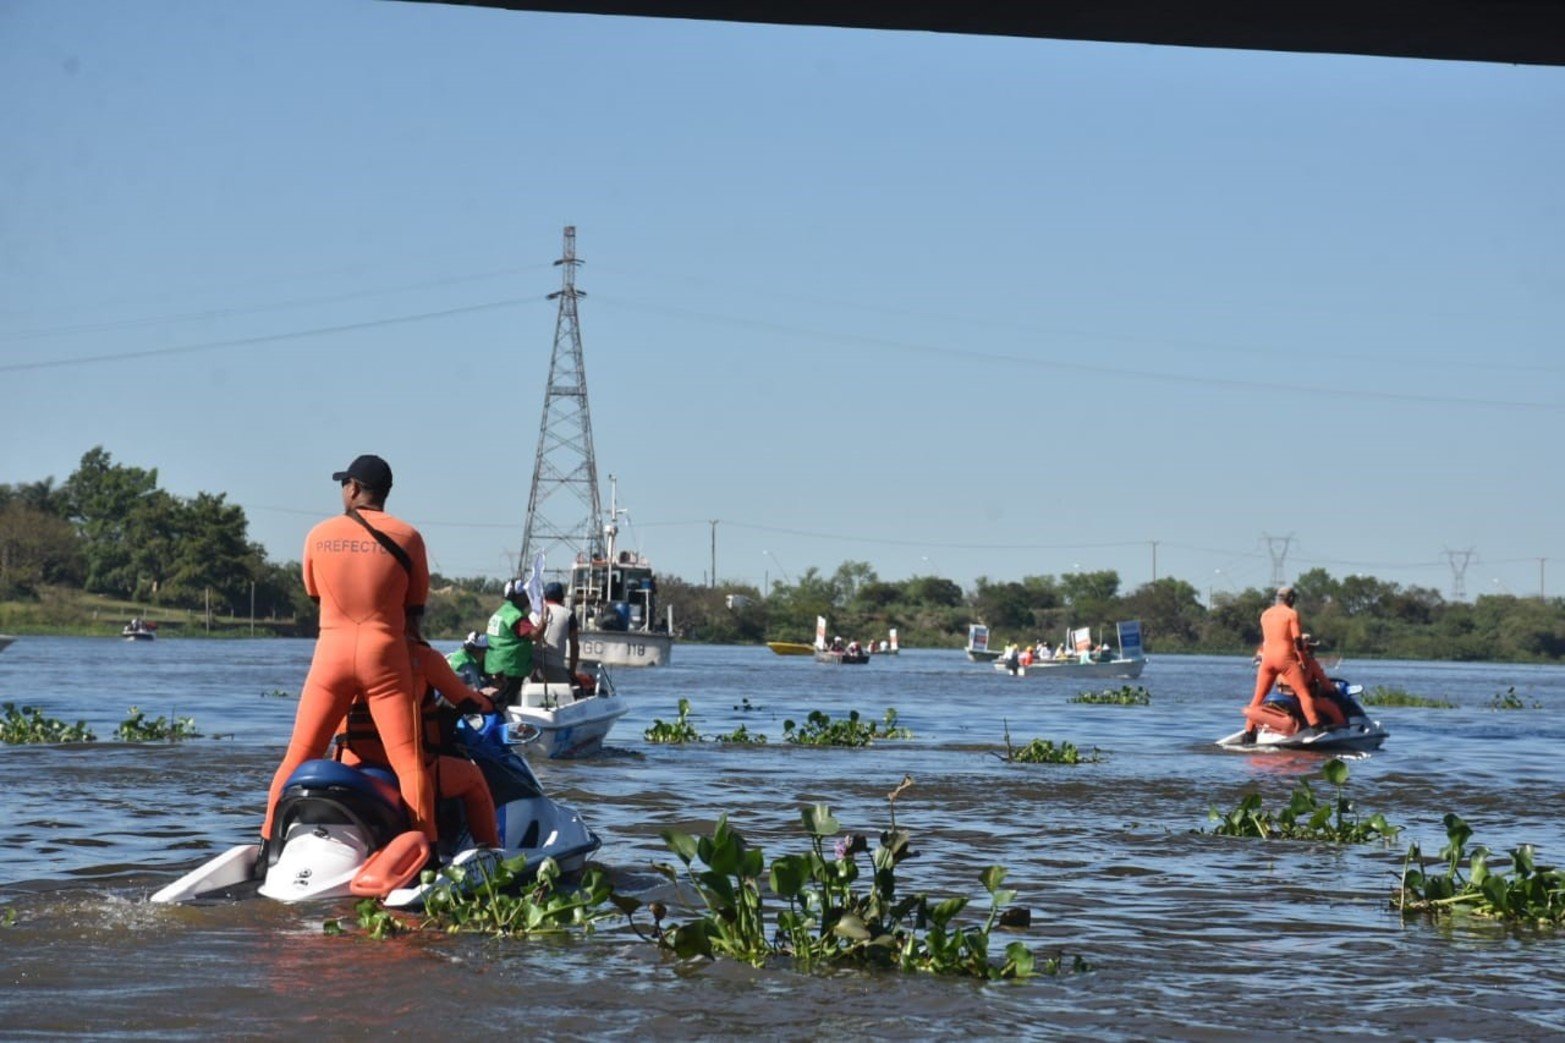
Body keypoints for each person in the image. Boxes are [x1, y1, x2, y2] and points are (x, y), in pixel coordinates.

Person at [262, 454, 435, 847]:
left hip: (331, 656)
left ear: (353, 488)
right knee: (408, 763)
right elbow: (415, 606)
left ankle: (266, 847)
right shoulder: (409, 537)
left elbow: (313, 592)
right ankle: (427, 851)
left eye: (345, 484)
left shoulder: (318, 534)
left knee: (298, 756)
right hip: (385, 658)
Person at [335, 640, 501, 849]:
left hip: (350, 767)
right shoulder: (423, 658)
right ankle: (493, 854)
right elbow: (466, 701)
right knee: (474, 779)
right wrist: (489, 701)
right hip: (401, 770)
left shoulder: (341, 655)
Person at [1245, 586, 1325, 740]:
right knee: (1304, 695)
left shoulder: (1265, 614)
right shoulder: (1291, 614)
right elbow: (1297, 640)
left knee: (1258, 697)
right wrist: (1302, 659)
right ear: (1291, 599)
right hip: (1285, 659)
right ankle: (1316, 728)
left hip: (1267, 660)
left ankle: (1249, 733)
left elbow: (1268, 639)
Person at [484, 579, 538, 704]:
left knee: (495, 703)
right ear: (519, 596)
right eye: (525, 595)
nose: (528, 598)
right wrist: (544, 621)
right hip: (510, 670)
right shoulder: (515, 616)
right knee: (505, 705)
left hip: (493, 667)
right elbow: (535, 636)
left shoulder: (499, 613)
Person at [535, 581, 581, 684]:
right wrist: (572, 672)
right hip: (555, 666)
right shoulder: (568, 615)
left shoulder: (535, 612)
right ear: (562, 598)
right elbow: (574, 647)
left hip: (532, 665)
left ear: (545, 597)